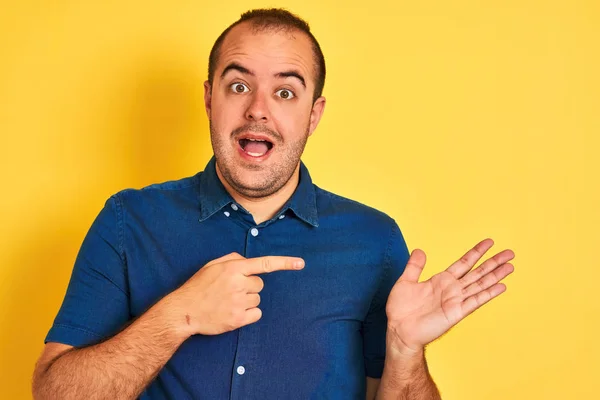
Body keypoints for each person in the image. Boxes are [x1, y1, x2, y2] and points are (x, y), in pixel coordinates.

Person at [32, 8, 515, 400]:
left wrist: (406, 351)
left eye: (285, 92)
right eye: (238, 85)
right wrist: (179, 316)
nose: (258, 109)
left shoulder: (375, 242)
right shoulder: (127, 222)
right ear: (209, 99)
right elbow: (53, 394)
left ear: (313, 115)